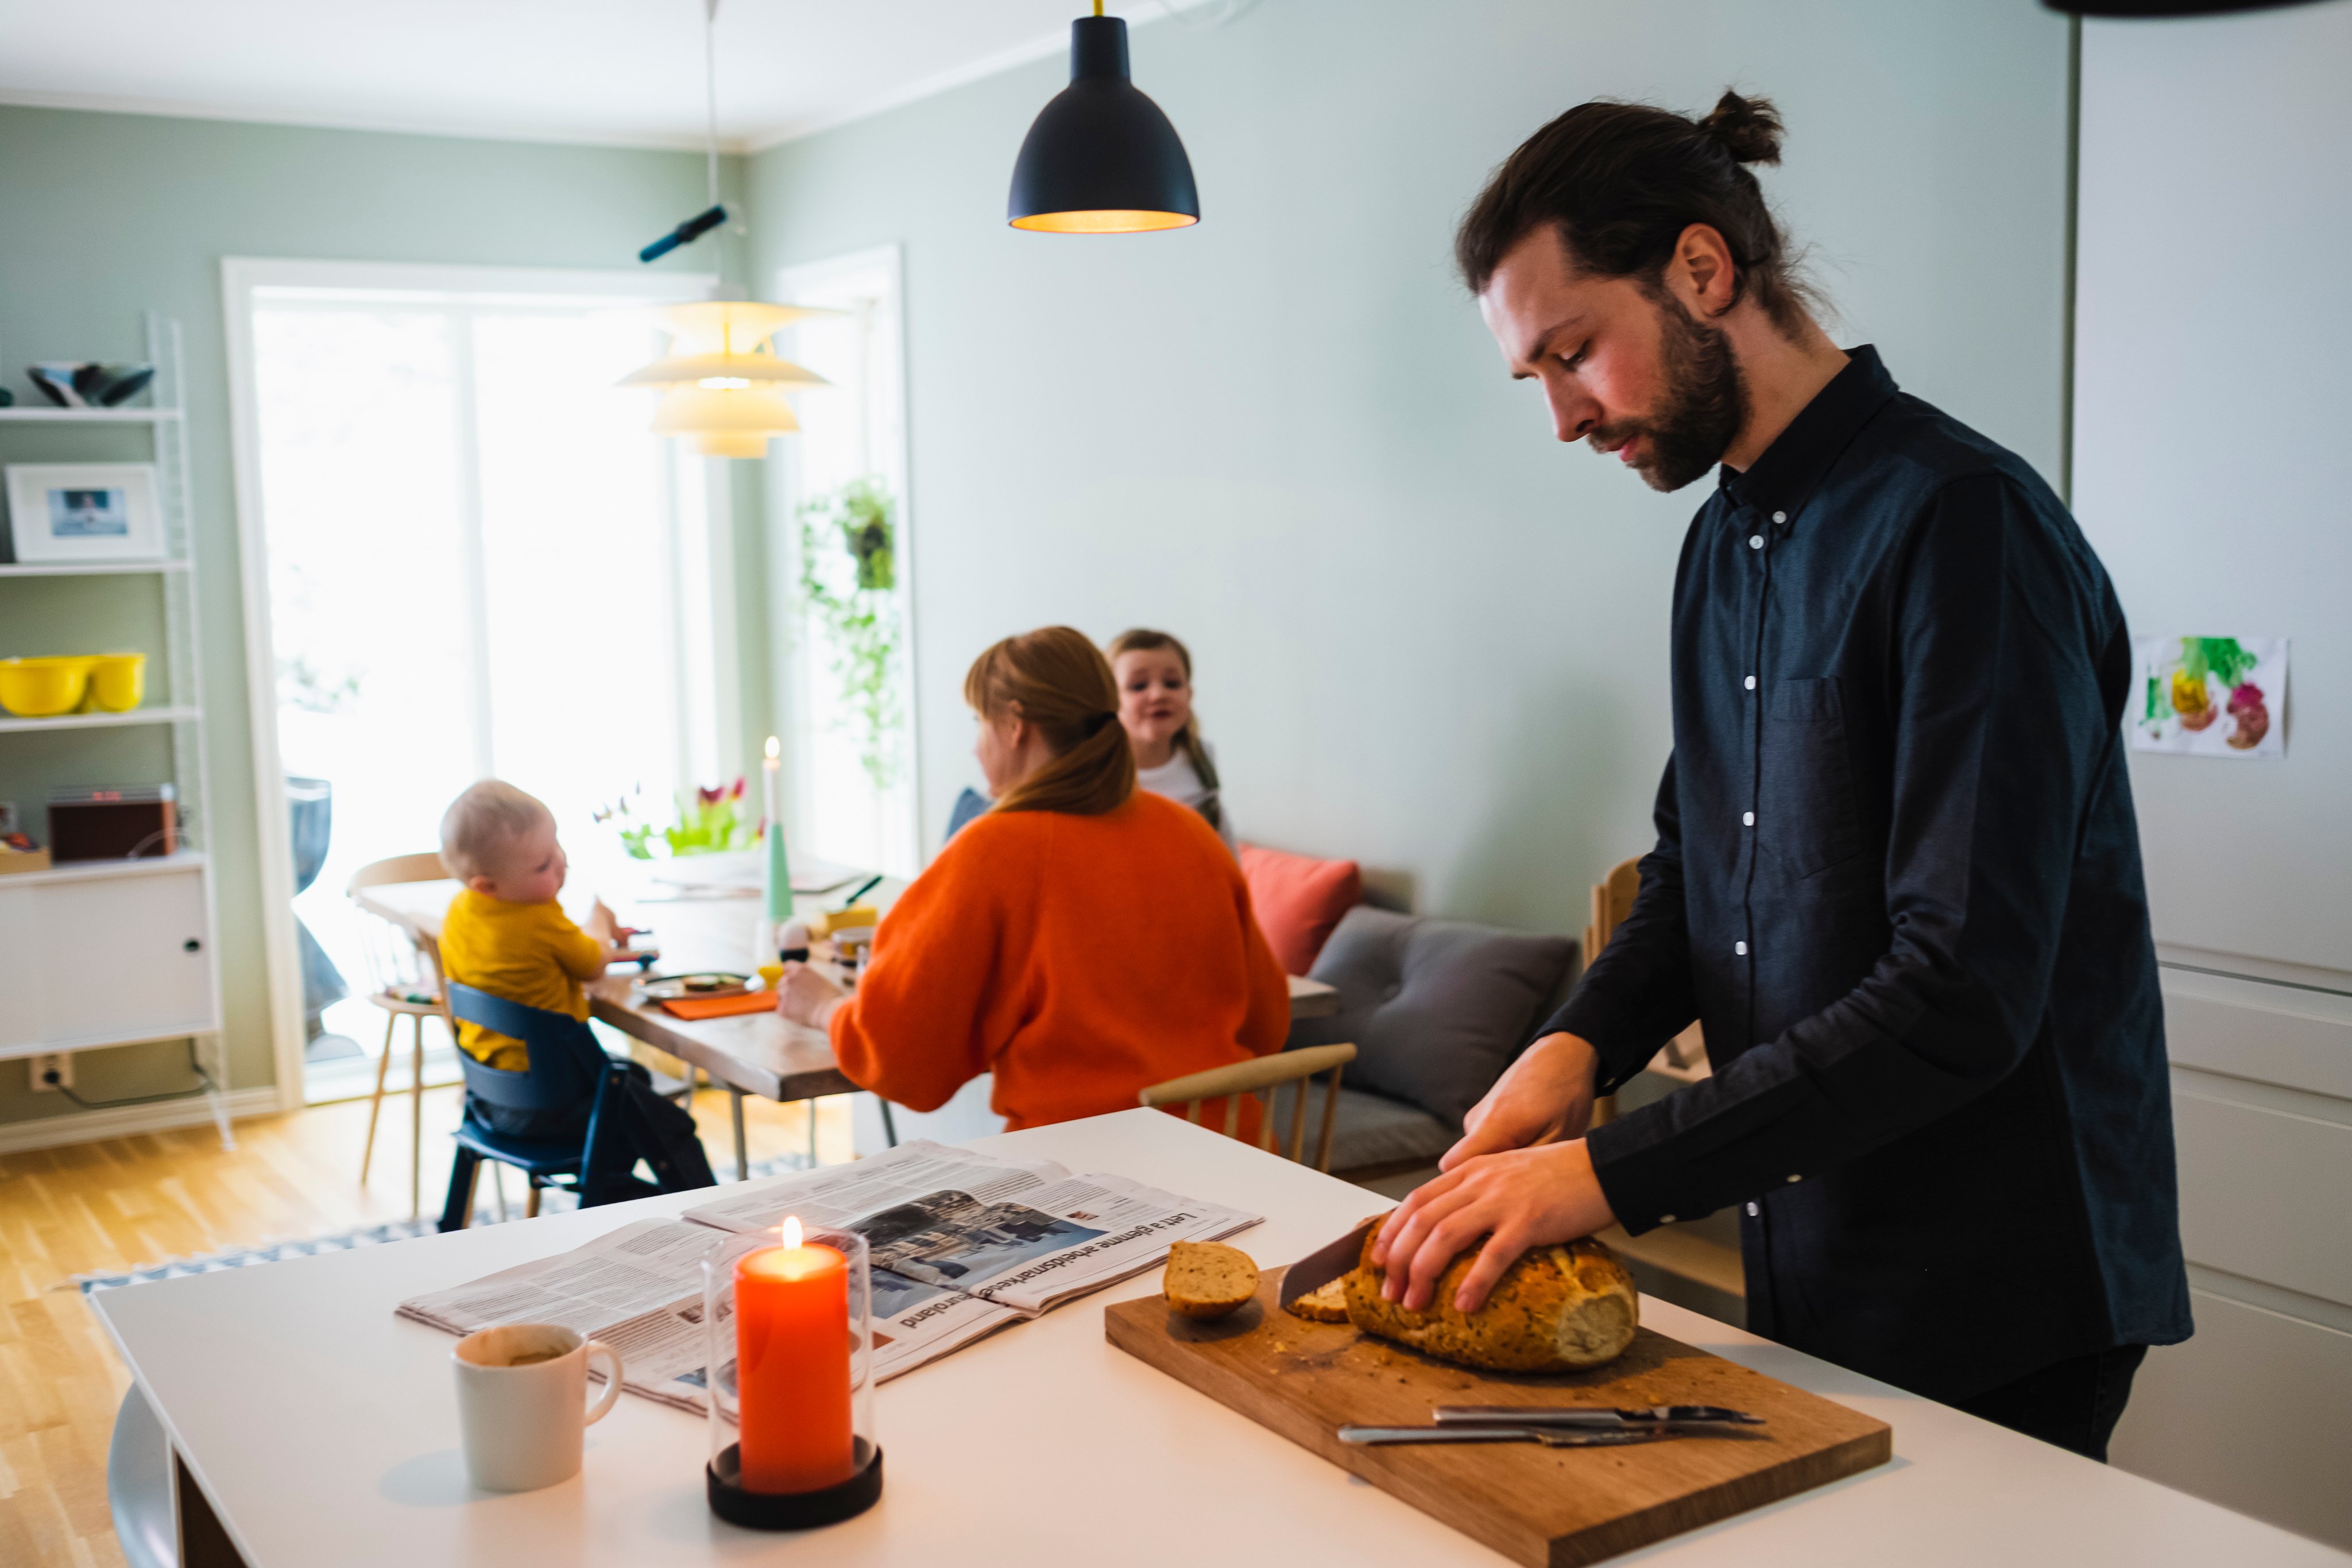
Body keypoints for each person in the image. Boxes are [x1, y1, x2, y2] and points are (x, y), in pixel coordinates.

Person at [1372, 91, 2188, 1462]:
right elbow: (1703, 867)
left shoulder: (1963, 526)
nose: (1566, 418)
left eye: (1576, 354)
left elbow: (1961, 989)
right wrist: (1576, 1045)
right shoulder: (1718, 545)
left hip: (2001, 1283)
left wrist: (1601, 1177)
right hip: (1810, 1244)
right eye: (1538, 379)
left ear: (1703, 271)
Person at [773, 626, 1290, 1130]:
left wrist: (824, 1008)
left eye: (979, 721)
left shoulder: (994, 848)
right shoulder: (1189, 830)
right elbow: (1266, 1024)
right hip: (1231, 1150)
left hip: (1091, 1176)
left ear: (1016, 725)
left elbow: (900, 1058)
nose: (977, 748)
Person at [436, 781, 714, 1182]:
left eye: (557, 848)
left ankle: (607, 1192)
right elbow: (594, 963)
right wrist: (600, 918)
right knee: (669, 1124)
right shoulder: (540, 921)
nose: (560, 864)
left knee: (633, 1087)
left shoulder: (460, 912)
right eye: (542, 866)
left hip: (493, 1100)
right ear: (487, 885)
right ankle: (702, 1210)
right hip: (557, 1105)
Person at [1108, 628, 1235, 852]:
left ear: (1190, 693)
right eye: (1138, 686)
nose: (1158, 694)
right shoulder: (1101, 772)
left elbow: (1222, 836)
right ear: (1111, 700)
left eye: (1172, 683)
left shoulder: (1202, 757)